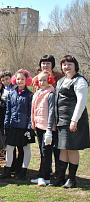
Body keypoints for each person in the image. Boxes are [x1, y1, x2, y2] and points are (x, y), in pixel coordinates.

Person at [53, 55, 90, 188]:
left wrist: (74, 120)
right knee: (63, 148)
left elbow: (81, 101)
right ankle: (61, 177)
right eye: (64, 64)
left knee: (72, 149)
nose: (66, 67)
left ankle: (72, 179)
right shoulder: (61, 80)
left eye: (69, 64)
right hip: (62, 120)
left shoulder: (80, 81)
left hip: (74, 120)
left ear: (75, 66)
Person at [1, 69, 34, 180]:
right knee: (10, 147)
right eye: (18, 79)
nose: (20, 81)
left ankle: (23, 171)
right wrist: (6, 124)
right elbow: (8, 111)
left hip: (24, 126)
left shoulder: (30, 95)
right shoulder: (11, 94)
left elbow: (31, 112)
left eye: (22, 79)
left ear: (27, 80)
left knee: (25, 148)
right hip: (13, 125)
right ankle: (7, 169)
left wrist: (30, 127)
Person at [30, 71, 56, 186]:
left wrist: (50, 129)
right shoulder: (37, 93)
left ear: (49, 81)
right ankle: (44, 176)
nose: (42, 82)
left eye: (44, 80)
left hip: (47, 127)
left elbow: (51, 112)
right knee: (42, 151)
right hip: (39, 126)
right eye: (40, 80)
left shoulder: (50, 94)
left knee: (46, 152)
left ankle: (43, 176)